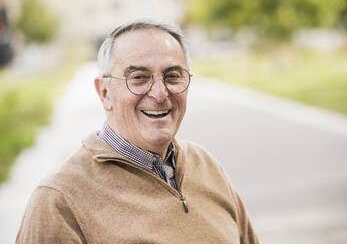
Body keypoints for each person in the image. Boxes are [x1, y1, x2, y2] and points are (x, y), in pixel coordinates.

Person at [16, 20, 259, 244]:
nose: (160, 93)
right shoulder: (59, 201)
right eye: (139, 78)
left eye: (172, 76)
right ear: (105, 93)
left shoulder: (206, 165)